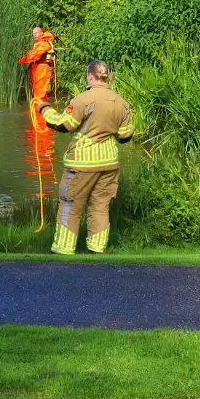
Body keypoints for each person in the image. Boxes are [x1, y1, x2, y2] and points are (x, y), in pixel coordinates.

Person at [40, 60, 134, 255]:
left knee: (70, 204)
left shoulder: (82, 100)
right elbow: (125, 136)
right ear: (108, 77)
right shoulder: (122, 103)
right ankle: (96, 250)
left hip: (82, 163)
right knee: (100, 207)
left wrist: (44, 109)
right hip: (109, 164)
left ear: (90, 76)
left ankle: (63, 249)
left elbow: (63, 125)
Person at [18, 27, 56, 105]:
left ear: (42, 33)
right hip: (38, 69)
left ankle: (40, 108)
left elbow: (34, 55)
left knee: (40, 92)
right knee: (38, 91)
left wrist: (21, 60)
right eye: (33, 34)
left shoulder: (44, 43)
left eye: (36, 33)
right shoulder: (39, 43)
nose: (34, 35)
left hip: (42, 70)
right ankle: (39, 108)